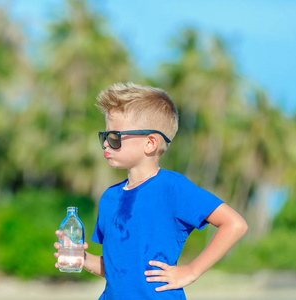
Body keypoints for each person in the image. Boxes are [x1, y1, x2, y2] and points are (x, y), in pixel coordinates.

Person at [54, 82, 248, 299]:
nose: (106, 144)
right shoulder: (109, 198)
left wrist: (191, 271)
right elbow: (117, 270)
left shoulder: (172, 188)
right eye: (104, 137)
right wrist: (81, 257)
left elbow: (235, 224)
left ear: (150, 143)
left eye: (115, 137)